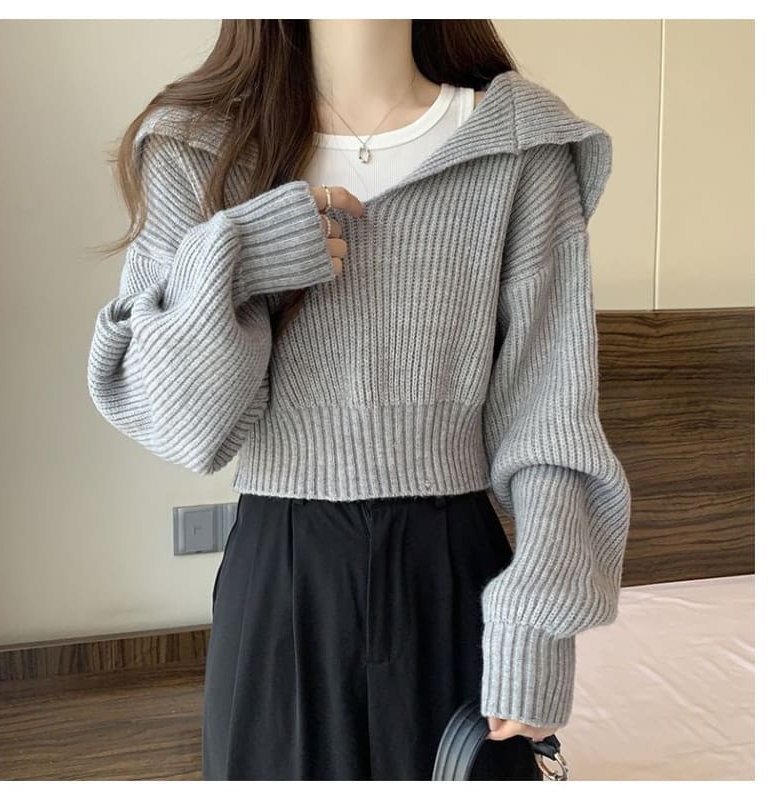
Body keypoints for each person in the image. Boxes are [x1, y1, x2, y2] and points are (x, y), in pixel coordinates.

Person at [86, 20, 632, 780]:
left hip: (456, 570)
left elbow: (552, 417)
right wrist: (237, 258)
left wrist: (541, 615)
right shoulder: (197, 146)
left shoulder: (519, 146)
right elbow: (184, 425)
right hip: (281, 580)